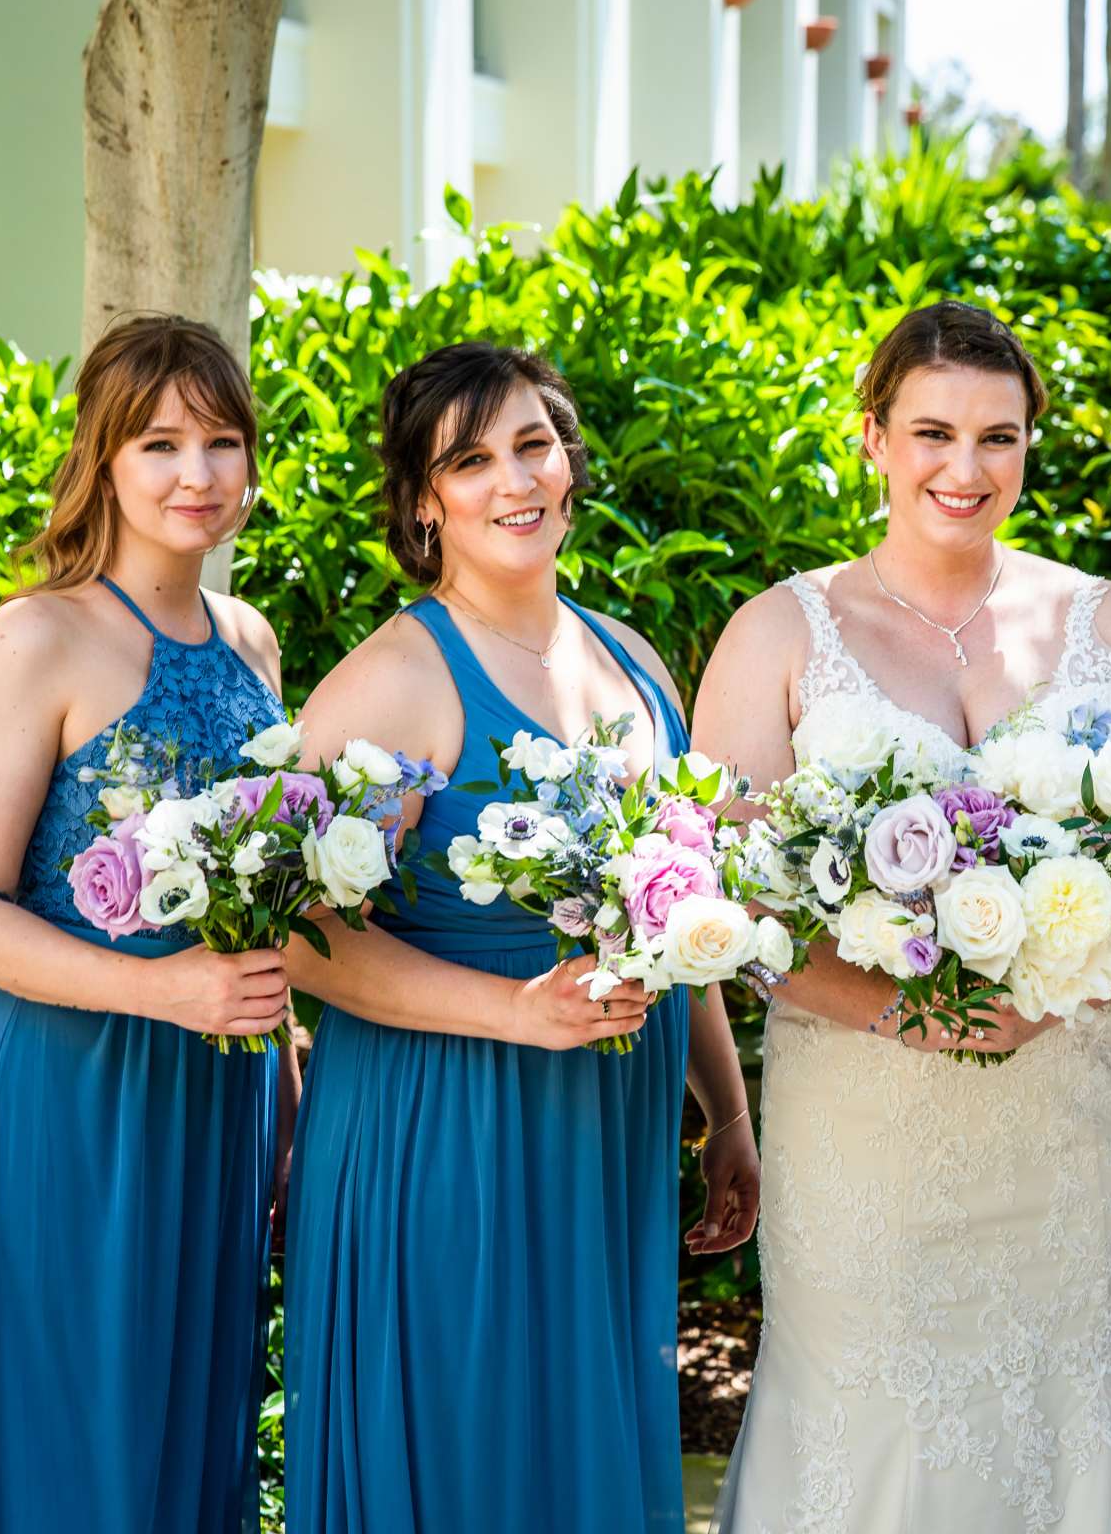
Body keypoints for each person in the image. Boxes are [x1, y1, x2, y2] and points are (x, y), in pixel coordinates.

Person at [697, 301, 1111, 1532]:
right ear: (872, 438)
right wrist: (918, 1018)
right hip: (865, 1121)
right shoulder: (780, 630)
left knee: (1072, 1408)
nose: (965, 470)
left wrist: (1058, 995)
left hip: (1076, 1110)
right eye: (931, 432)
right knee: (872, 1412)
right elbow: (722, 906)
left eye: (998, 436)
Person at [277, 341, 757, 1533]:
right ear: (424, 499)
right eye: (472, 459)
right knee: (467, 1456)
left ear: (570, 461)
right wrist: (512, 1011)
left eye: (534, 444)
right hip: (444, 1131)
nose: (514, 481)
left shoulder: (632, 663)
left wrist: (729, 1114)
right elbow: (297, 938)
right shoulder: (396, 684)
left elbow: (672, 910)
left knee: (574, 1463)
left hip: (603, 1136)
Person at [0, 314, 289, 1532]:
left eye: (224, 442)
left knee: (186, 1420)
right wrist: (168, 991)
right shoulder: (35, 638)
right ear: (102, 456)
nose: (197, 475)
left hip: (214, 1091)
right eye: (160, 443)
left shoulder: (252, 642)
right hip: (65, 1090)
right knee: (59, 1423)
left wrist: (285, 1104)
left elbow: (263, 903)